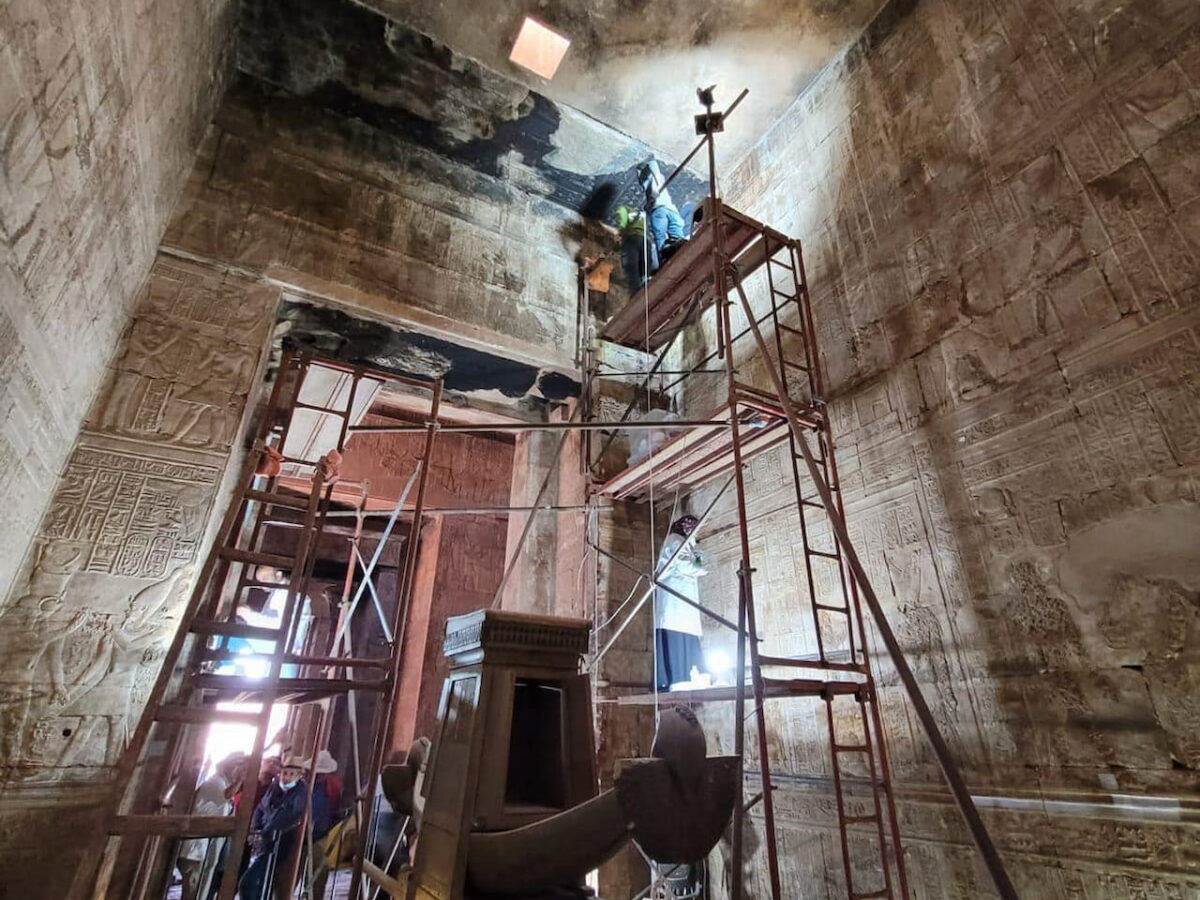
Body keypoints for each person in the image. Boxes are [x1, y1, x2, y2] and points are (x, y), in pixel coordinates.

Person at [177, 753, 246, 900]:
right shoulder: (216, 783)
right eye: (237, 766)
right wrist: (240, 780)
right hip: (196, 848)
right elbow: (226, 797)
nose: (238, 771)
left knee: (198, 887)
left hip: (203, 848)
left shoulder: (221, 782)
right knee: (192, 889)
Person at [239, 756, 307, 900]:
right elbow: (260, 808)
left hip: (280, 843)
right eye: (285, 773)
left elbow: (293, 815)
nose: (287, 777)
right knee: (259, 884)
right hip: (264, 841)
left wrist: (269, 830)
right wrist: (255, 829)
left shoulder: (302, 792)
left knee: (248, 883)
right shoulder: (274, 788)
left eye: (291, 774)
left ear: (299, 775)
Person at [654, 515, 708, 691]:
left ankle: (692, 675)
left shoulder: (688, 544)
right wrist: (699, 567)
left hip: (683, 599)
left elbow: (696, 563)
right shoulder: (675, 540)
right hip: (676, 599)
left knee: (687, 634)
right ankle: (677, 677)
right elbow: (687, 566)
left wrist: (697, 558)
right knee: (678, 635)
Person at [306, 750, 344, 899]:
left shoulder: (332, 786)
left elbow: (336, 807)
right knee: (290, 874)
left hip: (319, 834)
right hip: (298, 836)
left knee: (320, 871)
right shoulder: (302, 785)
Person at [637, 159, 687, 255]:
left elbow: (652, 163)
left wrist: (658, 184)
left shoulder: (655, 178)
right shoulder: (648, 180)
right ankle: (666, 254)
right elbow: (652, 164)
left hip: (664, 208)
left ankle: (671, 252)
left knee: (668, 232)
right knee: (666, 233)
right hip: (661, 208)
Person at [615, 204, 658, 293]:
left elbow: (623, 222)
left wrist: (619, 233)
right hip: (646, 240)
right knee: (645, 262)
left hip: (632, 238)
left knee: (631, 266)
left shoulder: (622, 208)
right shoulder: (641, 213)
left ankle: (635, 292)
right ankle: (646, 281)